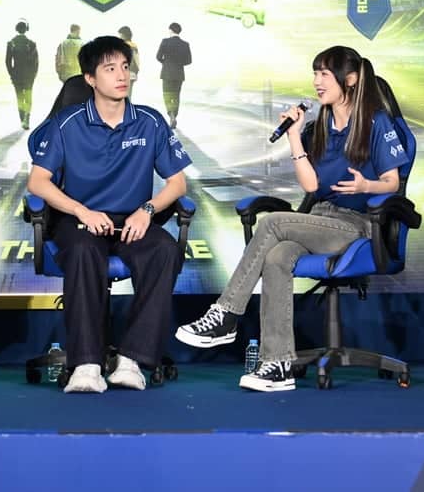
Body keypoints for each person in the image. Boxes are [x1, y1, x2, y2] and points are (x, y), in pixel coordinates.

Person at [175, 46, 410, 392]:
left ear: (350, 79)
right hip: (321, 219)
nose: (317, 81)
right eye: (315, 73)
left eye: (324, 74)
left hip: (360, 225)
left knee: (272, 223)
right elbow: (312, 185)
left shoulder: (376, 122)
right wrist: (294, 135)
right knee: (278, 255)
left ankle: (226, 314)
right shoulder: (322, 125)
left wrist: (366, 185)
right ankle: (277, 364)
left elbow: (392, 183)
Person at [27, 36, 192, 393]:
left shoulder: (150, 121)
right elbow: (37, 181)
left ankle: (131, 360)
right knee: (83, 250)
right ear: (90, 79)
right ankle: (86, 365)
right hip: (80, 219)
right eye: (110, 68)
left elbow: (178, 183)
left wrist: (147, 210)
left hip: (132, 220)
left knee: (164, 250)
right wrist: (81, 211)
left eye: (125, 67)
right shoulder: (66, 122)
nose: (122, 75)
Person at [155, 22, 192, 129]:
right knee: (176, 96)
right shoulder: (185, 44)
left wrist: (165, 63)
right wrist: (179, 64)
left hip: (167, 73)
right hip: (179, 74)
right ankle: (174, 115)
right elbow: (189, 61)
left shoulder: (165, 41)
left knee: (167, 95)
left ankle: (171, 115)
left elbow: (158, 57)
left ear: (171, 30)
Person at [5, 19, 39, 130]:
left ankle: (22, 119)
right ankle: (27, 119)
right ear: (26, 29)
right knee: (28, 98)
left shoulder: (11, 43)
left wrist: (12, 74)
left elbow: (8, 61)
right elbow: (36, 62)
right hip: (29, 76)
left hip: (16, 76)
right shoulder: (31, 44)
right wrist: (34, 75)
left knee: (19, 97)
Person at [117, 26, 140, 99]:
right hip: (132, 72)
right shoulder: (133, 45)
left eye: (120, 35)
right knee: (128, 95)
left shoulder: (122, 45)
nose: (120, 37)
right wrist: (136, 71)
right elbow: (137, 60)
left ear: (124, 35)